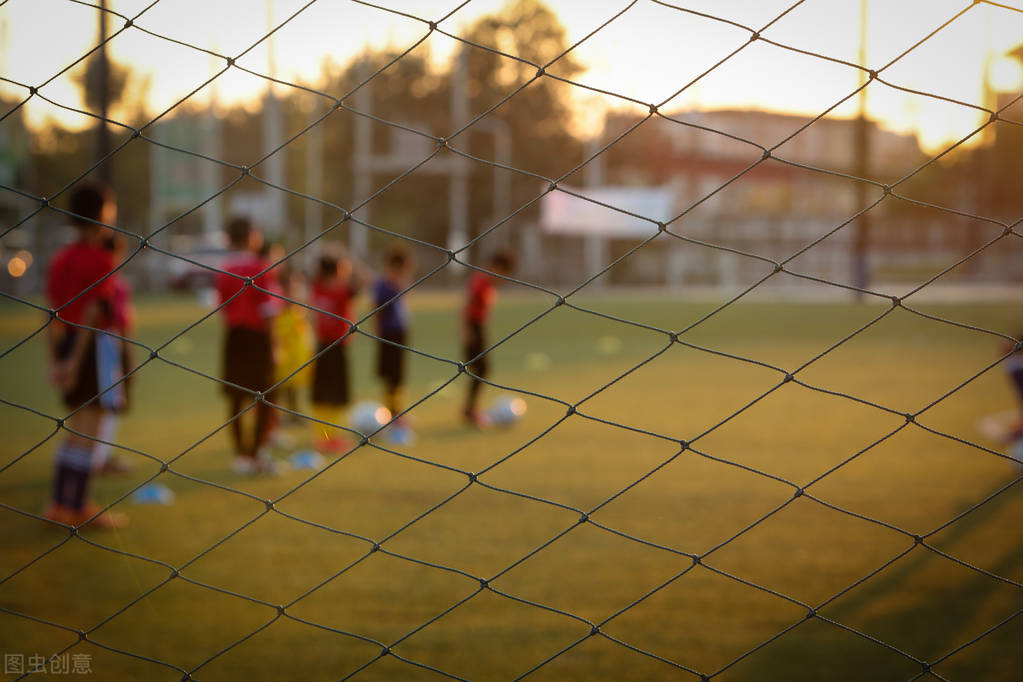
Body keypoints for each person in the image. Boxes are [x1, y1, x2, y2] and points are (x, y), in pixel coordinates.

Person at [44, 182, 129, 528]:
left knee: (76, 428)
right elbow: (93, 315)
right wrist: (76, 363)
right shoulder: (98, 259)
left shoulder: (61, 258)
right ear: (102, 213)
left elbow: (50, 312)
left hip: (67, 344)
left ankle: (60, 505)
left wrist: (57, 360)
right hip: (91, 347)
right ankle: (76, 508)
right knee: (89, 429)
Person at [214, 217, 282, 475]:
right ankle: (256, 454)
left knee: (235, 396)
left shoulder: (224, 269)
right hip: (257, 337)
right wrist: (274, 345)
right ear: (252, 236)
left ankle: (241, 455)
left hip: (234, 337)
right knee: (266, 396)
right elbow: (268, 310)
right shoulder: (259, 267)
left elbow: (222, 308)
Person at [310, 249, 362, 453]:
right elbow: (361, 281)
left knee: (323, 394)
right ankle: (328, 437)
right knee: (335, 395)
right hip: (337, 346)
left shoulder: (316, 288)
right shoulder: (343, 291)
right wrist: (350, 262)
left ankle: (323, 436)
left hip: (322, 345)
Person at [462, 251, 514, 427]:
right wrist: (466, 330)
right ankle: (469, 409)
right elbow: (467, 305)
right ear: (497, 268)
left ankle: (469, 408)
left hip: (479, 328)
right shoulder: (481, 281)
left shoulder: (488, 283)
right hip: (473, 327)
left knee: (481, 369)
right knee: (481, 368)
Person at [372, 246, 415, 422]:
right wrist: (377, 332)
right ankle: (392, 412)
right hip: (388, 334)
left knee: (398, 375)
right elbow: (377, 309)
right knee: (391, 375)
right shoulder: (384, 284)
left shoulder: (397, 284)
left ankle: (396, 410)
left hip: (400, 332)